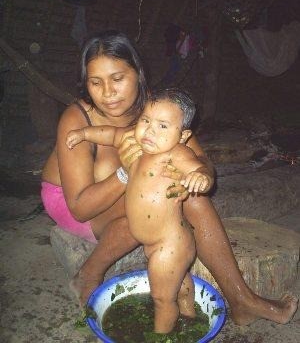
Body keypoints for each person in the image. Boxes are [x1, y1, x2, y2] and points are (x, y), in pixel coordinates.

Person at [41, 30, 298, 327]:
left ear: (138, 74)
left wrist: (199, 176)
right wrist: (125, 172)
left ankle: (241, 299)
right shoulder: (78, 118)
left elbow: (202, 162)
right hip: (74, 201)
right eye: (95, 82)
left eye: (118, 78)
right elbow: (80, 207)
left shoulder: (157, 109)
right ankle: (88, 274)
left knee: (192, 199)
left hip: (125, 192)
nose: (107, 93)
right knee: (152, 206)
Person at [66, 88, 213, 333]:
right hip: (155, 243)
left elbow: (200, 170)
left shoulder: (176, 154)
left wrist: (201, 178)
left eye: (163, 126)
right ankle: (189, 316)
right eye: (146, 120)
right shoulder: (134, 142)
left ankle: (160, 336)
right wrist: (84, 133)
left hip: (169, 244)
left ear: (183, 135)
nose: (150, 130)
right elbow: (110, 134)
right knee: (179, 283)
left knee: (162, 299)